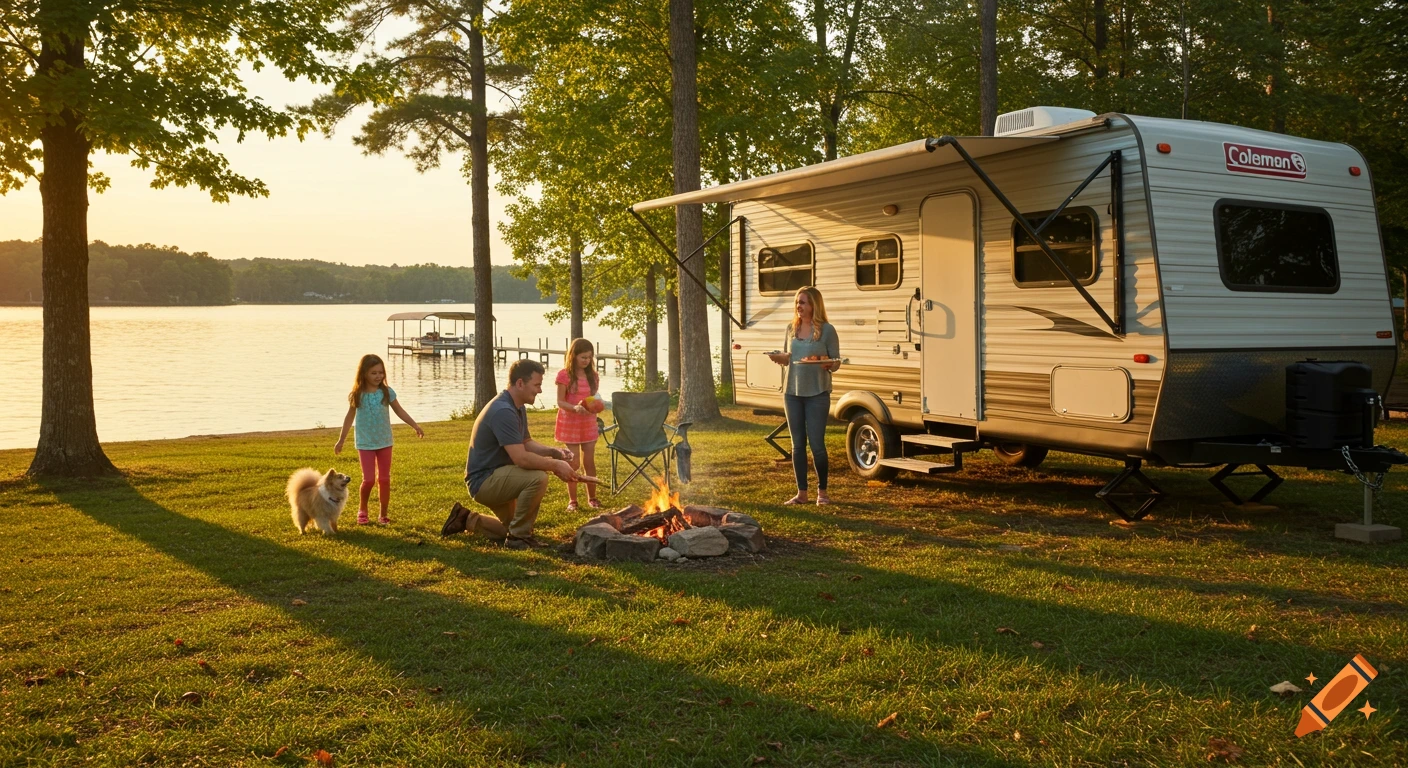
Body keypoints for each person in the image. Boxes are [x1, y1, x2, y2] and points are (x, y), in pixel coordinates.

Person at [441, 359, 587, 549]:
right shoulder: (503, 411)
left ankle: (466, 519)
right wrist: (555, 465)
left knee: (508, 529)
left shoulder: (517, 407)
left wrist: (554, 452)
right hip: (484, 480)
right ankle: (518, 539)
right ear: (520, 383)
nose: (540, 390)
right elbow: (522, 458)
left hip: (499, 475)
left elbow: (526, 443)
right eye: (537, 385)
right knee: (537, 478)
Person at [768, 286, 841, 506]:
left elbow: (836, 362)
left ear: (814, 305)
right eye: (798, 302)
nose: (799, 306)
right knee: (797, 445)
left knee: (817, 445)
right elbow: (789, 356)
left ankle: (823, 493)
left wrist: (828, 364)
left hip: (817, 392)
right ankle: (802, 493)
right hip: (792, 392)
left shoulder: (827, 330)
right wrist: (781, 358)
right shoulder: (791, 328)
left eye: (804, 302)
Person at [334, 354, 424, 525]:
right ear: (364, 374)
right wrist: (341, 440)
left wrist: (415, 425)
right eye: (373, 373)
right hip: (365, 443)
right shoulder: (357, 394)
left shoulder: (386, 392)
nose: (378, 376)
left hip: (384, 441)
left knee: (384, 479)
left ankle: (383, 514)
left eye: (381, 373)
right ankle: (363, 510)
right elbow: (349, 417)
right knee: (368, 480)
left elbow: (399, 410)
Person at [555, 338, 602, 511]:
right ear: (573, 356)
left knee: (589, 461)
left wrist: (596, 404)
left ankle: (592, 498)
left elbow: (594, 398)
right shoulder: (564, 375)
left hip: (588, 421)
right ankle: (573, 501)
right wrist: (575, 408)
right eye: (583, 357)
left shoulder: (593, 376)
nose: (586, 361)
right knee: (573, 463)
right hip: (570, 422)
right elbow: (560, 402)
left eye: (589, 357)